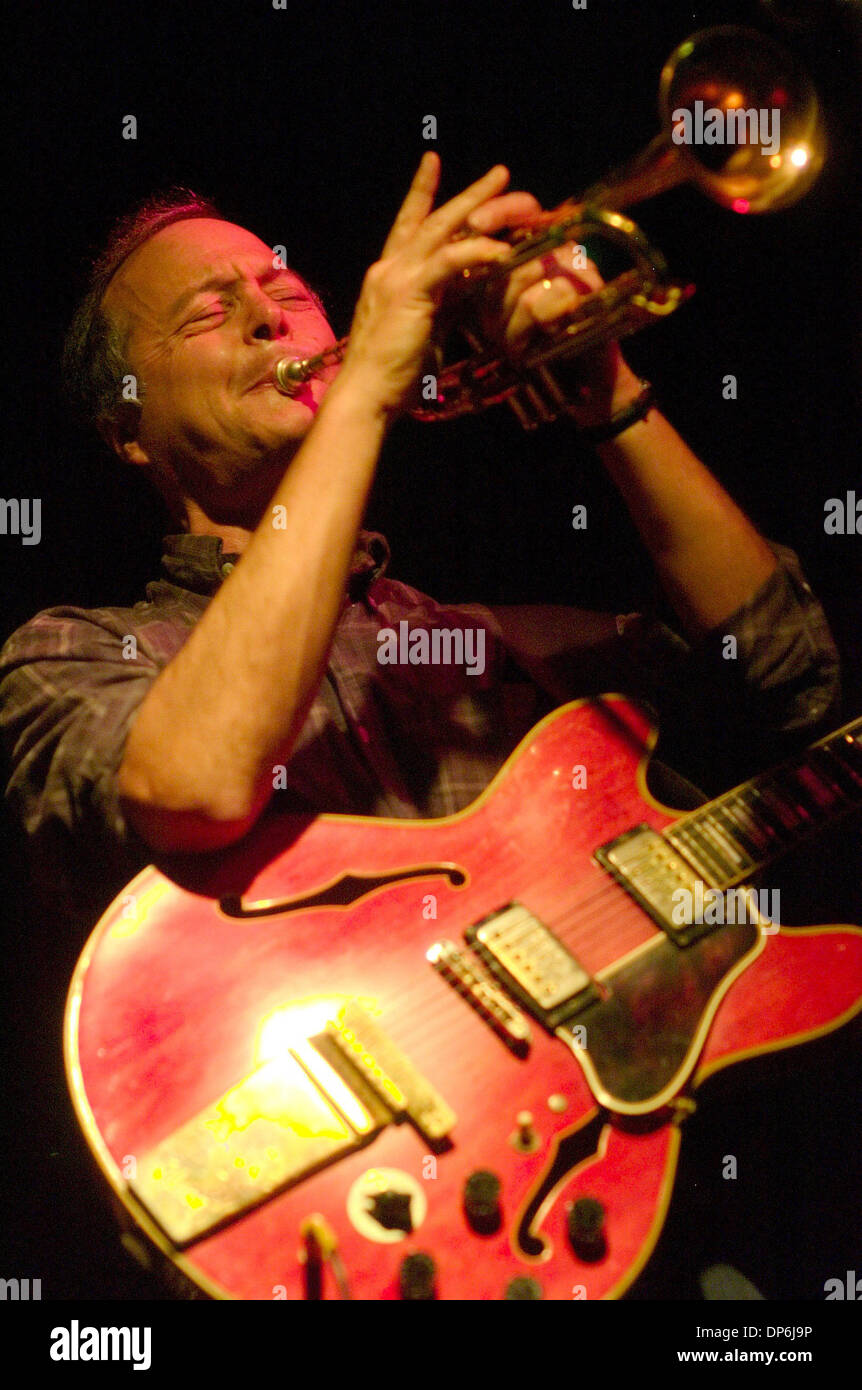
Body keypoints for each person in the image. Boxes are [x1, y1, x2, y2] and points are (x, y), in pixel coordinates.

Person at [0, 153, 841, 932]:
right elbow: (195, 786)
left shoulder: (492, 645)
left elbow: (789, 681)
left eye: (287, 292)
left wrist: (603, 387)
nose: (267, 316)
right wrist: (366, 391)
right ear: (126, 431)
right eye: (209, 313)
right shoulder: (71, 651)